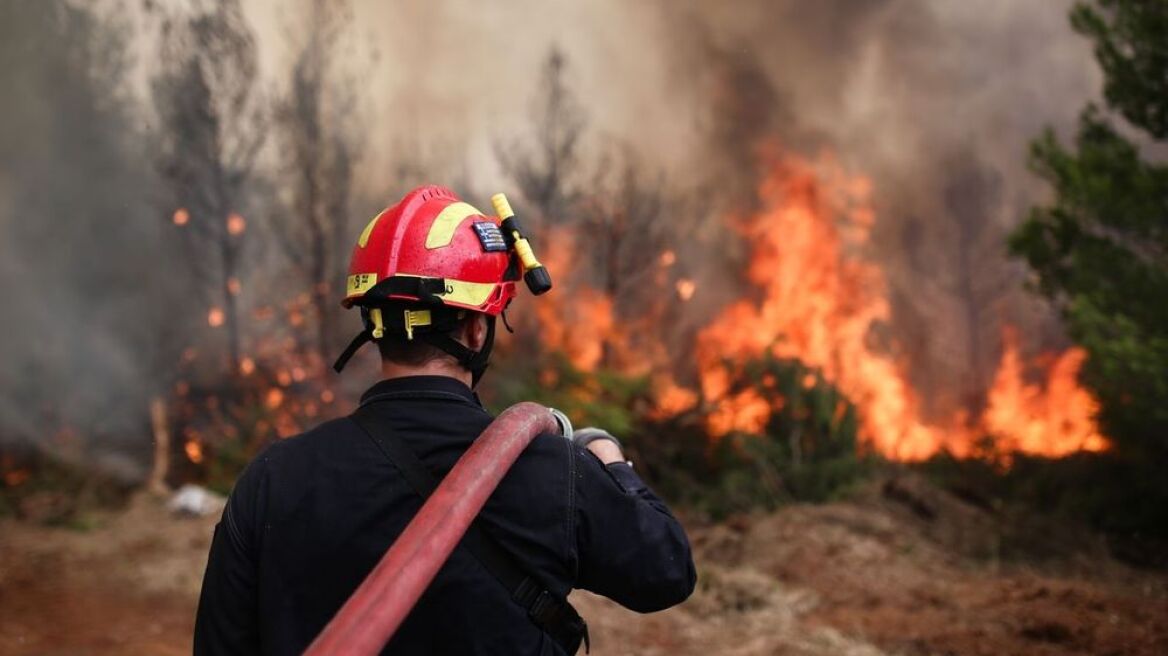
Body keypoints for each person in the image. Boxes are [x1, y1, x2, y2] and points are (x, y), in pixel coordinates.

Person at [193, 185, 696, 655]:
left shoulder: (273, 479)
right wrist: (609, 458)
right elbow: (666, 573)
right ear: (477, 328)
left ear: (372, 322)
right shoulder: (555, 472)